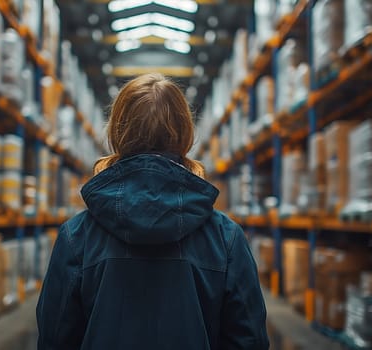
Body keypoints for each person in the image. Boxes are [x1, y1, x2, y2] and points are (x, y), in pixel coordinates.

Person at [37, 73, 269, 350]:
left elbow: (55, 339)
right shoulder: (225, 238)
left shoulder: (77, 237)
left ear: (116, 134)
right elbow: (249, 340)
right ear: (185, 134)